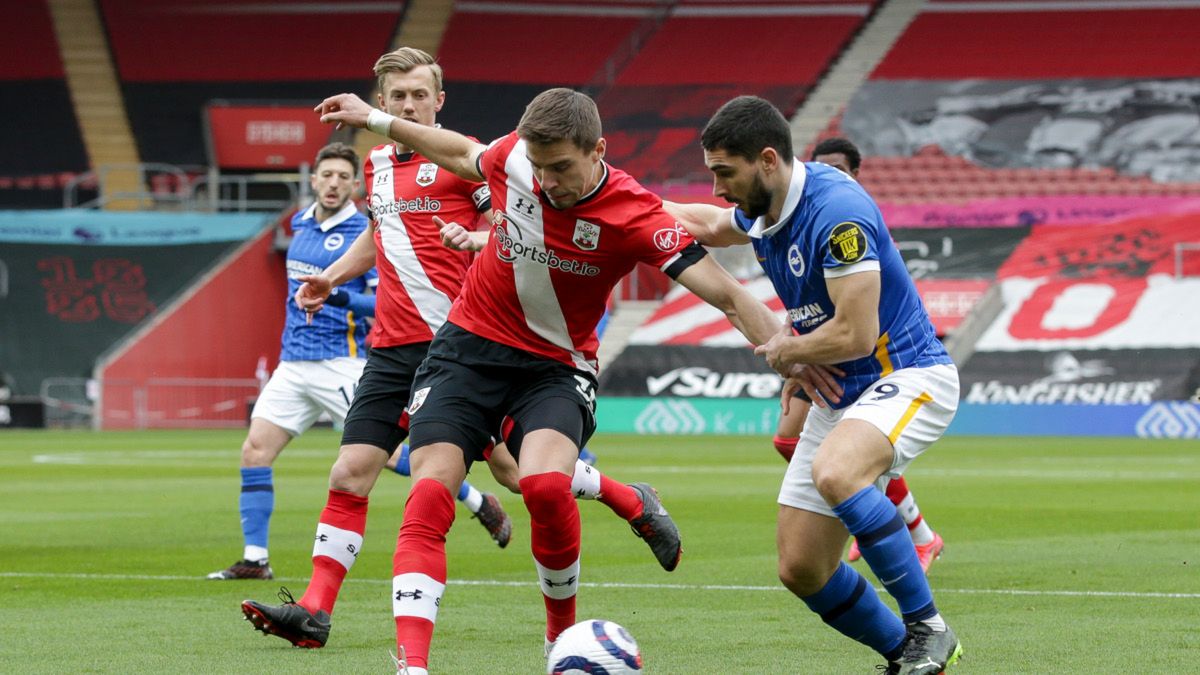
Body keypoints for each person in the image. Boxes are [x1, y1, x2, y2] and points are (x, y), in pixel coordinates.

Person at [303, 86, 781, 674]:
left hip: (556, 366)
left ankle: (559, 641)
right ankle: (413, 668)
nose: (548, 181)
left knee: (545, 488)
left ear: (598, 150)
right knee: (428, 492)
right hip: (466, 351)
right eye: (540, 166)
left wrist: (793, 356)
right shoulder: (514, 160)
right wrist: (373, 118)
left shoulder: (634, 214)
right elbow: (455, 151)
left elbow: (730, 296)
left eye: (562, 168)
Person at [239, 51, 691, 657]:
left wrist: (475, 238)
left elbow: (521, 222)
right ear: (384, 97)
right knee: (349, 473)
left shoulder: (464, 160)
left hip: (471, 346)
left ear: (438, 101)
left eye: (418, 96)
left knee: (523, 475)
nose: (407, 106)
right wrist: (333, 276)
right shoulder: (374, 166)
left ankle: (630, 499)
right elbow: (382, 233)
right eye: (397, 96)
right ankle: (315, 612)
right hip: (394, 349)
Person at [666, 97, 962, 674]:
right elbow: (704, 222)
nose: (720, 188)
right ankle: (907, 658)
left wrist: (786, 349)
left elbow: (857, 332)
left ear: (768, 160)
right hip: (841, 393)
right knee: (802, 568)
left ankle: (930, 628)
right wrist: (609, 202)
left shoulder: (838, 213)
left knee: (837, 472)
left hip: (905, 374)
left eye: (725, 173)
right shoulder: (767, 204)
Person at [205, 142, 513, 581]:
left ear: (355, 185)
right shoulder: (299, 225)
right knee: (255, 451)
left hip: (343, 361)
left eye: (341, 177)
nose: (331, 183)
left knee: (380, 459)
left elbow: (384, 298)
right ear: (312, 180)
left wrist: (339, 295)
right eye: (324, 175)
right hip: (294, 361)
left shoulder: (367, 229)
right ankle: (255, 559)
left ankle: (474, 498)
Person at [771, 137, 944, 574]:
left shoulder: (852, 221)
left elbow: (864, 309)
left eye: (841, 168)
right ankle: (880, 515)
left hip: (869, 357)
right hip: (824, 356)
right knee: (788, 440)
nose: (832, 174)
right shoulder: (804, 216)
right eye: (824, 166)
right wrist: (797, 349)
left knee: (847, 460)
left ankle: (914, 534)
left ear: (856, 174)